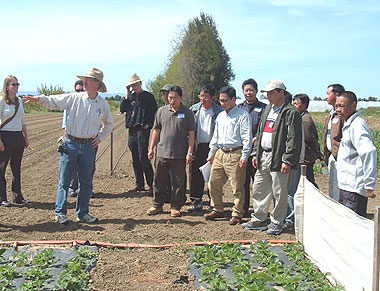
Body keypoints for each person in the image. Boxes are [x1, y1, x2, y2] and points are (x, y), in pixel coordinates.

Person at [24, 68, 113, 224]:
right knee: (64, 181)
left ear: (97, 84)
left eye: (89, 79)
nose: (84, 82)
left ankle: (83, 213)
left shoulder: (103, 105)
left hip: (88, 146)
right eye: (85, 79)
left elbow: (109, 124)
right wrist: (39, 99)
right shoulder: (74, 98)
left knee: (86, 182)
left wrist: (99, 138)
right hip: (70, 143)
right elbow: (54, 100)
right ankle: (60, 213)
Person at [242, 80, 302, 235]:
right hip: (264, 155)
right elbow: (260, 132)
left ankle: (277, 221)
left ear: (281, 93)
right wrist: (255, 152)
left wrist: (287, 159)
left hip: (279, 157)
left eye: (271, 93)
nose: (268, 96)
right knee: (259, 188)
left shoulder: (290, 112)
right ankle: (259, 218)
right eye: (267, 93)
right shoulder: (268, 109)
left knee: (279, 191)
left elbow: (293, 138)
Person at [204, 86, 252, 225]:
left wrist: (244, 156)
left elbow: (246, 138)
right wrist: (211, 153)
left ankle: (237, 213)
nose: (222, 103)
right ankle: (217, 208)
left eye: (225, 100)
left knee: (237, 186)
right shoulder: (220, 116)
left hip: (235, 153)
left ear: (233, 99)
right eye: (220, 100)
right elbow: (215, 135)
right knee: (213, 183)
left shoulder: (242, 115)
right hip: (220, 153)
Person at [146, 85, 195, 217]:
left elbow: (191, 134)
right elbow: (156, 130)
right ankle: (157, 205)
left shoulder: (187, 113)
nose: (171, 100)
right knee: (159, 180)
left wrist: (189, 152)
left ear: (181, 98)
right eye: (169, 97)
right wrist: (151, 148)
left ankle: (176, 206)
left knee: (179, 182)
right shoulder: (161, 111)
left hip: (179, 154)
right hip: (162, 153)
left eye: (174, 98)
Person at [335, 91, 377, 218]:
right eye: (336, 106)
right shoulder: (349, 123)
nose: (338, 109)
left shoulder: (357, 125)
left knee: (352, 222)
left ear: (353, 105)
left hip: (354, 186)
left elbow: (369, 151)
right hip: (346, 185)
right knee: (345, 221)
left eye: (342, 106)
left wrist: (369, 183)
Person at [120, 74, 157, 194]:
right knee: (135, 158)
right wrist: (127, 94)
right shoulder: (130, 97)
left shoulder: (148, 97)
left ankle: (151, 185)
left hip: (143, 130)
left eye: (136, 84)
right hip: (132, 130)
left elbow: (153, 112)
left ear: (140, 84)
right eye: (132, 85)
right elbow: (122, 109)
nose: (135, 86)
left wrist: (148, 125)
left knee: (143, 157)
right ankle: (139, 184)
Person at [188, 84, 223, 212]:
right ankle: (195, 200)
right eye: (201, 96)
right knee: (195, 174)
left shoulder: (219, 112)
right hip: (198, 146)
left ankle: (213, 201)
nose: (203, 99)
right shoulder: (194, 110)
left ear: (213, 98)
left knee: (213, 175)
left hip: (212, 147)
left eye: (206, 97)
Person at [237, 78, 266, 216]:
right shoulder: (239, 108)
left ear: (256, 91)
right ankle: (243, 209)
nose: (248, 93)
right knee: (242, 182)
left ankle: (258, 210)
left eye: (251, 90)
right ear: (243, 92)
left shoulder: (264, 108)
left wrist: (256, 138)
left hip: (256, 151)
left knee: (258, 183)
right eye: (246, 90)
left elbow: (265, 128)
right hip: (242, 151)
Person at [0, 75, 29, 206]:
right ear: (7, 86)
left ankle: (18, 196)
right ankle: (2, 198)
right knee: (2, 167)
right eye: (14, 85)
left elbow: (22, 121)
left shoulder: (19, 101)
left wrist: (25, 137)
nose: (16, 87)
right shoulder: (1, 101)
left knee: (16, 167)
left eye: (18, 84)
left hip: (18, 136)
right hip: (5, 136)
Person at [293, 94, 321, 187]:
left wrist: (316, 151)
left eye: (297, 103)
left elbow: (309, 138)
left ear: (304, 105)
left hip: (306, 156)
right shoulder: (301, 117)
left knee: (308, 181)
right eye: (294, 103)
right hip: (305, 155)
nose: (294, 105)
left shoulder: (305, 120)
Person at [62, 79, 85, 197]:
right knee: (73, 165)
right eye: (77, 90)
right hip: (72, 139)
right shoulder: (70, 103)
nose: (79, 92)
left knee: (88, 166)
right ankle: (72, 187)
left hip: (87, 140)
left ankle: (85, 188)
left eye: (82, 90)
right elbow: (65, 123)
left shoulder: (90, 103)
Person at [323, 84, 345, 201]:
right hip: (332, 156)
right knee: (333, 185)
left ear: (337, 94)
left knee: (339, 187)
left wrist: (338, 154)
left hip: (340, 157)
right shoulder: (331, 114)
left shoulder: (343, 114)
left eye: (328, 93)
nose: (326, 96)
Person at [159, 84, 174, 201]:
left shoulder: (183, 110)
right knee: (164, 173)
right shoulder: (161, 111)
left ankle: (178, 196)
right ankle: (167, 194)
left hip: (177, 149)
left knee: (176, 175)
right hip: (163, 147)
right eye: (163, 94)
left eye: (166, 93)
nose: (165, 96)